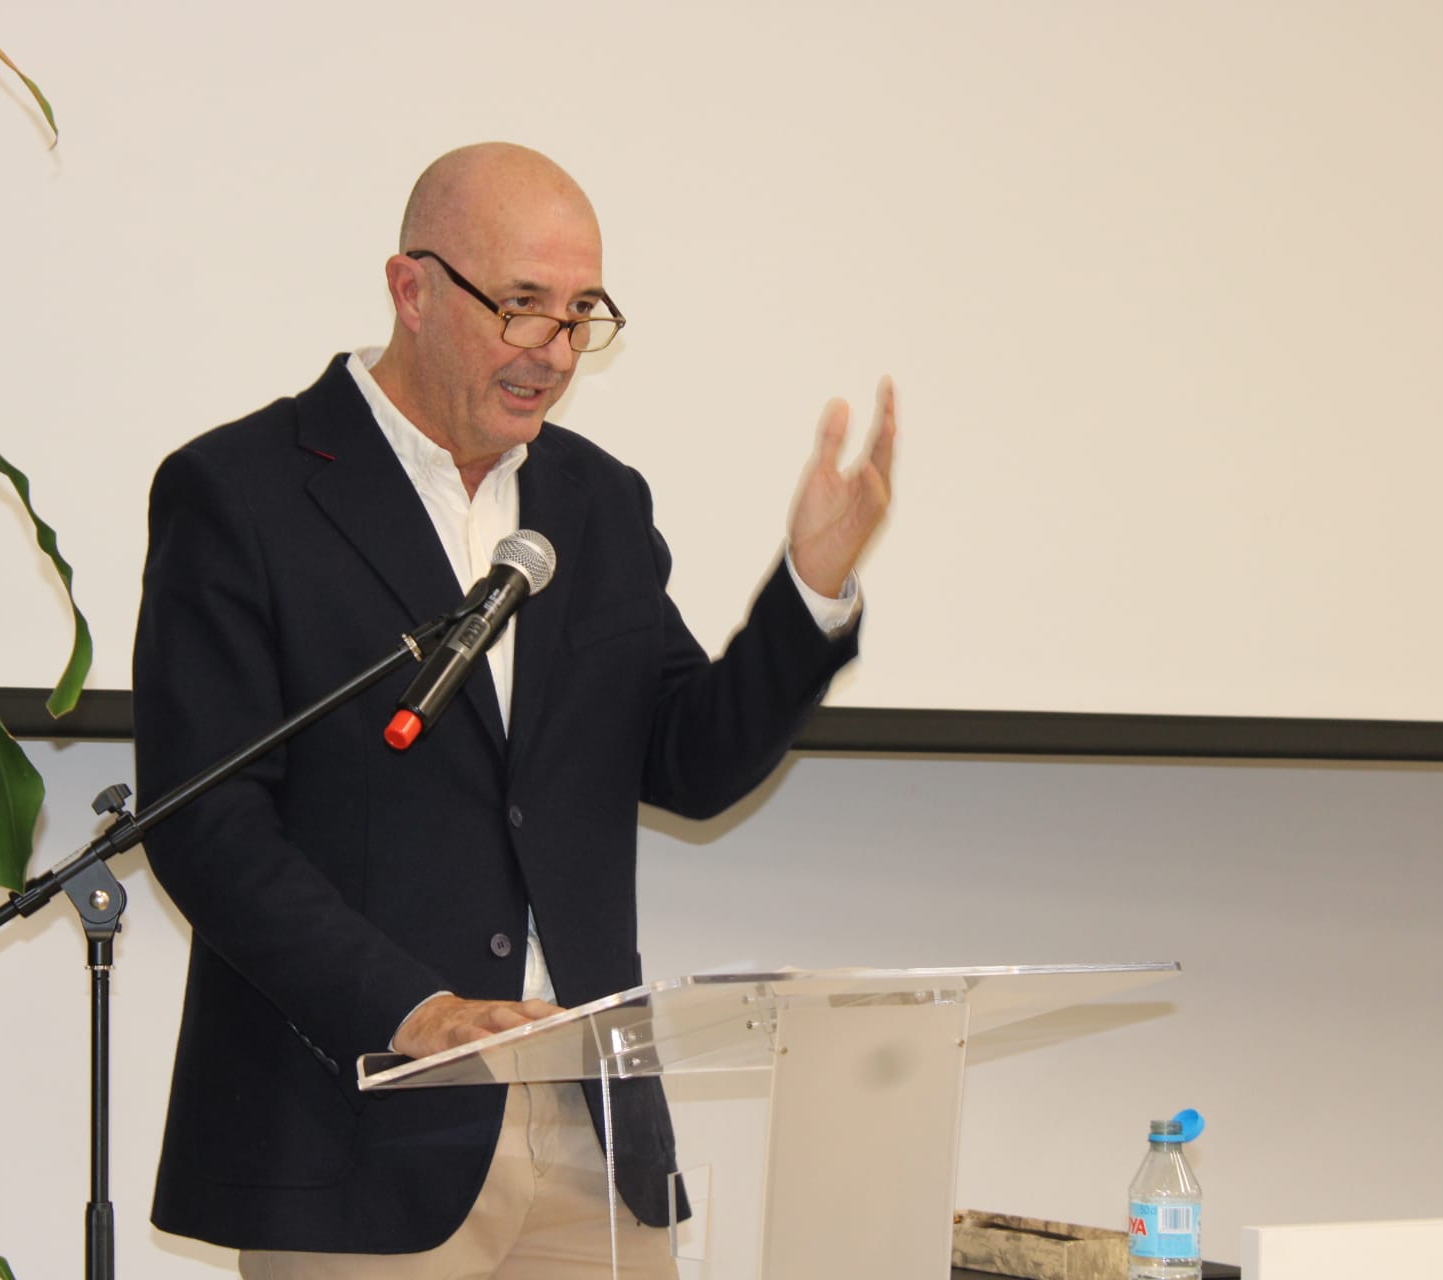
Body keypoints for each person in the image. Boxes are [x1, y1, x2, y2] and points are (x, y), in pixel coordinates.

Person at [133, 142, 895, 1277]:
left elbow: (685, 757)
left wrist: (809, 592)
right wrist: (417, 1009)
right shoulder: (244, 491)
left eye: (582, 314)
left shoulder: (593, 498)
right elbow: (211, 822)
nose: (554, 350)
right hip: (367, 1129)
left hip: (592, 1128)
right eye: (523, 306)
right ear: (413, 289)